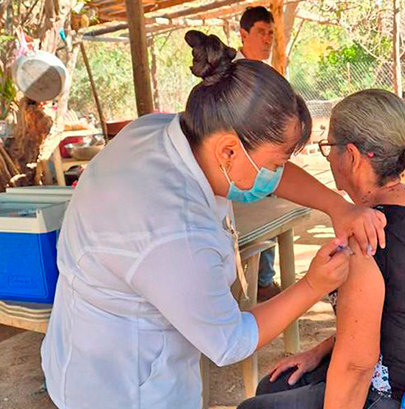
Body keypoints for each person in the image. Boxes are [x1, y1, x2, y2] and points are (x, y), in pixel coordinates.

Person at [40, 33, 386, 409]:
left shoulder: (163, 131)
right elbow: (230, 341)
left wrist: (338, 207)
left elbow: (268, 169)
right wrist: (312, 285)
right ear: (228, 150)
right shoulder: (174, 231)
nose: (277, 173)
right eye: (275, 163)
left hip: (90, 337)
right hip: (121, 386)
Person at [237, 89, 405, 409]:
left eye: (329, 147)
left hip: (401, 399)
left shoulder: (367, 235)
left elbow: (356, 368)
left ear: (352, 157)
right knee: (275, 385)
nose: (328, 157)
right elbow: (388, 320)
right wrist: (319, 352)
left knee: (252, 408)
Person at [234, 6, 281, 301]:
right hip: (238, 164)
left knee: (268, 220)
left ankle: (263, 281)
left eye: (271, 33)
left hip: (264, 160)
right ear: (243, 34)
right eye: (261, 32)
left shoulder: (266, 74)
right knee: (245, 225)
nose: (267, 39)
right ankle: (247, 285)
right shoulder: (231, 73)